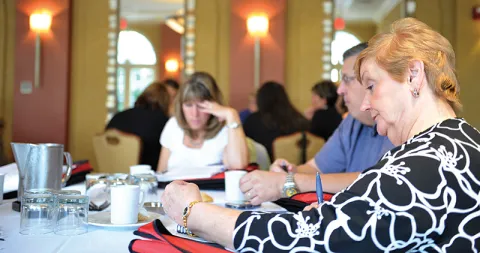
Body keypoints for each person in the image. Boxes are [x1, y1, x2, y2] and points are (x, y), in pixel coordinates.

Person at [162, 18, 480, 252]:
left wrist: (195, 212)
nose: (365, 104)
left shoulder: (427, 162)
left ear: (413, 76)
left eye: (371, 86)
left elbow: (308, 239)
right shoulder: (457, 142)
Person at [238, 43, 394, 205]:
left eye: (347, 80)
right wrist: (289, 172)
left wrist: (289, 182)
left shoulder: (398, 124)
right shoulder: (352, 122)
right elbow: (316, 168)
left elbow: (377, 180)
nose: (340, 90)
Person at [156, 72, 248, 173]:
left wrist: (232, 114)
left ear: (215, 106)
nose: (195, 114)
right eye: (188, 105)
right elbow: (161, 174)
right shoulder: (173, 125)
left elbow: (238, 164)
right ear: (181, 106)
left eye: (201, 106)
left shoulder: (226, 130)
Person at [106, 81, 170, 170]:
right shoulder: (163, 121)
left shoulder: (118, 116)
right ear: (166, 101)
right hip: (145, 176)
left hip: (111, 173)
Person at [243, 81, 310, 161]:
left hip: (266, 170)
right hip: (300, 169)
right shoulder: (301, 119)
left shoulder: (253, 121)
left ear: (260, 99)